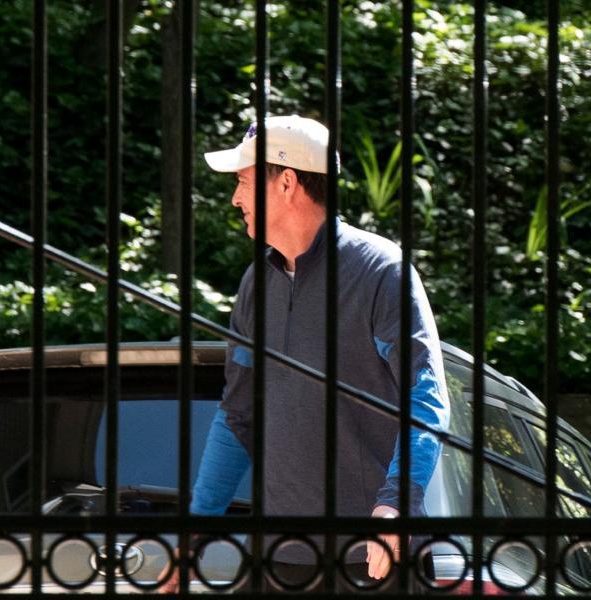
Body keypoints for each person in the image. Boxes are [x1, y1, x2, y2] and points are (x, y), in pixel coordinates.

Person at [159, 115, 450, 593]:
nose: (235, 198)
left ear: (287, 182)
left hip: (371, 559)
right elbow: (237, 416)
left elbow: (426, 401)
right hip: (281, 560)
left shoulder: (382, 272)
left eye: (244, 182)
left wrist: (394, 505)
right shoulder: (256, 284)